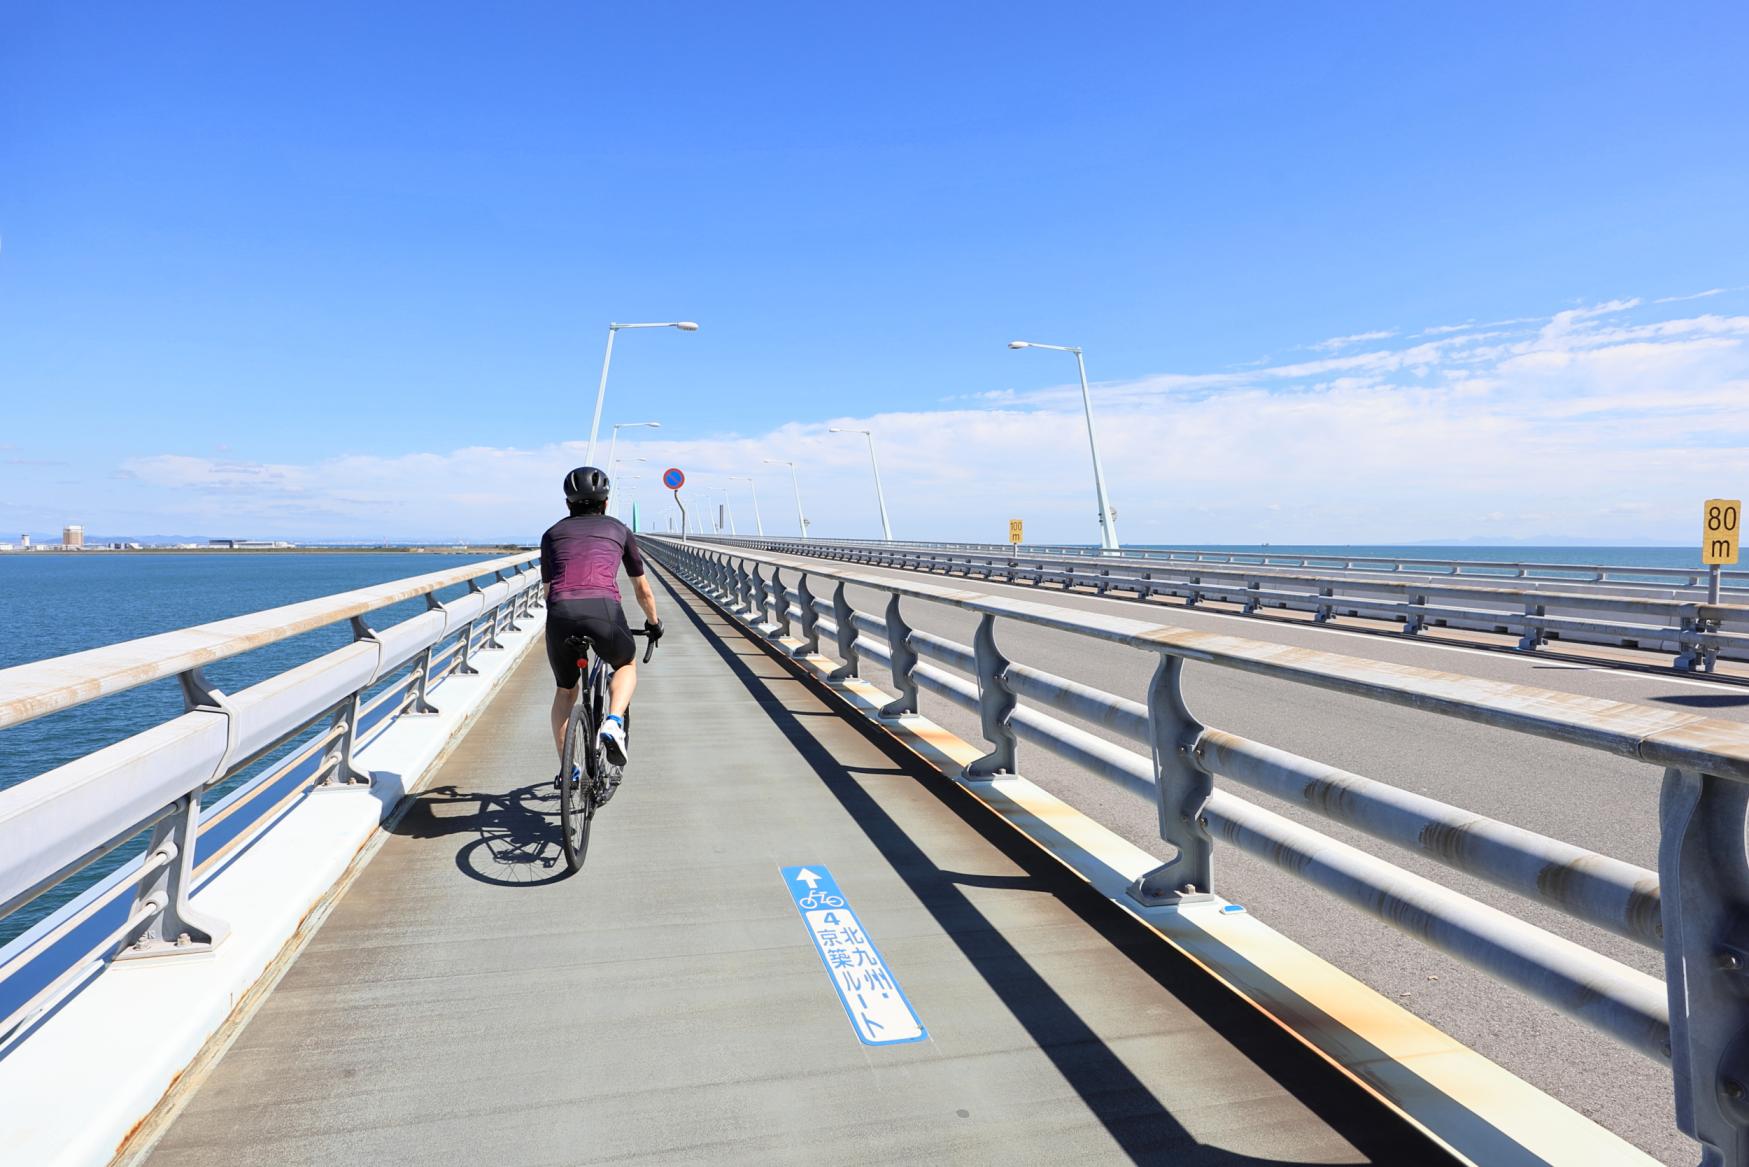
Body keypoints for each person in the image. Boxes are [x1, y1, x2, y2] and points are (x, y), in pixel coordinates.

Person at [540, 466, 662, 776]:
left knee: (565, 691)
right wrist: (653, 623)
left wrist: (562, 621)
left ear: (568, 504)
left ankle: (570, 770)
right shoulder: (620, 530)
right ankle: (613, 721)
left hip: (561, 612)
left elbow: (547, 591)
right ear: (605, 503)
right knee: (625, 664)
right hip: (604, 611)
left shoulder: (552, 534)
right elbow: (642, 589)